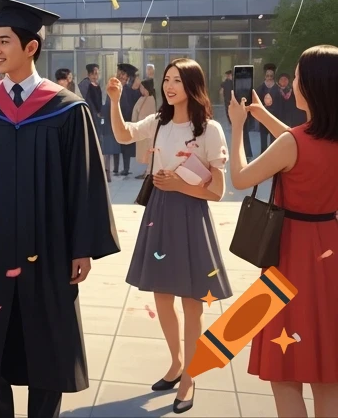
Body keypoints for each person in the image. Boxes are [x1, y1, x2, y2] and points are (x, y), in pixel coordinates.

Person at [0, 0, 117, 418]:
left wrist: (82, 247)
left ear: (31, 48)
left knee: (47, 350)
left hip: (49, 254)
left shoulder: (66, 109)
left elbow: (83, 184)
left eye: (4, 41)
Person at [107, 59, 230, 415]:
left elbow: (218, 192)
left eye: (177, 80)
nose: (169, 86)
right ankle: (176, 363)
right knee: (162, 296)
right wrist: (115, 100)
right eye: (166, 80)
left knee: (192, 302)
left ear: (193, 84)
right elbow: (123, 135)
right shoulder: (159, 122)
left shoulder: (209, 130)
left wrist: (179, 184)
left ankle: (190, 377)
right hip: (159, 213)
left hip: (191, 217)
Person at [229, 45, 338, 418]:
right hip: (330, 252)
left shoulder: (294, 143)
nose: (293, 82)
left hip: (291, 257)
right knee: (329, 375)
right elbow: (297, 141)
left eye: (298, 76)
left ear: (312, 86)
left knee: (286, 373)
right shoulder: (317, 138)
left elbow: (241, 178)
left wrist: (239, 127)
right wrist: (263, 113)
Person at [131, 78, 158, 178]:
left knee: (148, 150)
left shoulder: (150, 99)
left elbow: (145, 115)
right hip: (142, 129)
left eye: (142, 87)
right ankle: (147, 171)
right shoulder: (144, 98)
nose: (140, 89)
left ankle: (148, 172)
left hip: (146, 130)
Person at [118, 64, 141, 177]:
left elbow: (129, 105)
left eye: (123, 74)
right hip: (122, 118)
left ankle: (126, 168)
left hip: (128, 119)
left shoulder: (131, 88)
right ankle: (123, 168)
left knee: (126, 145)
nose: (120, 76)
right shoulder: (122, 87)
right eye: (120, 73)